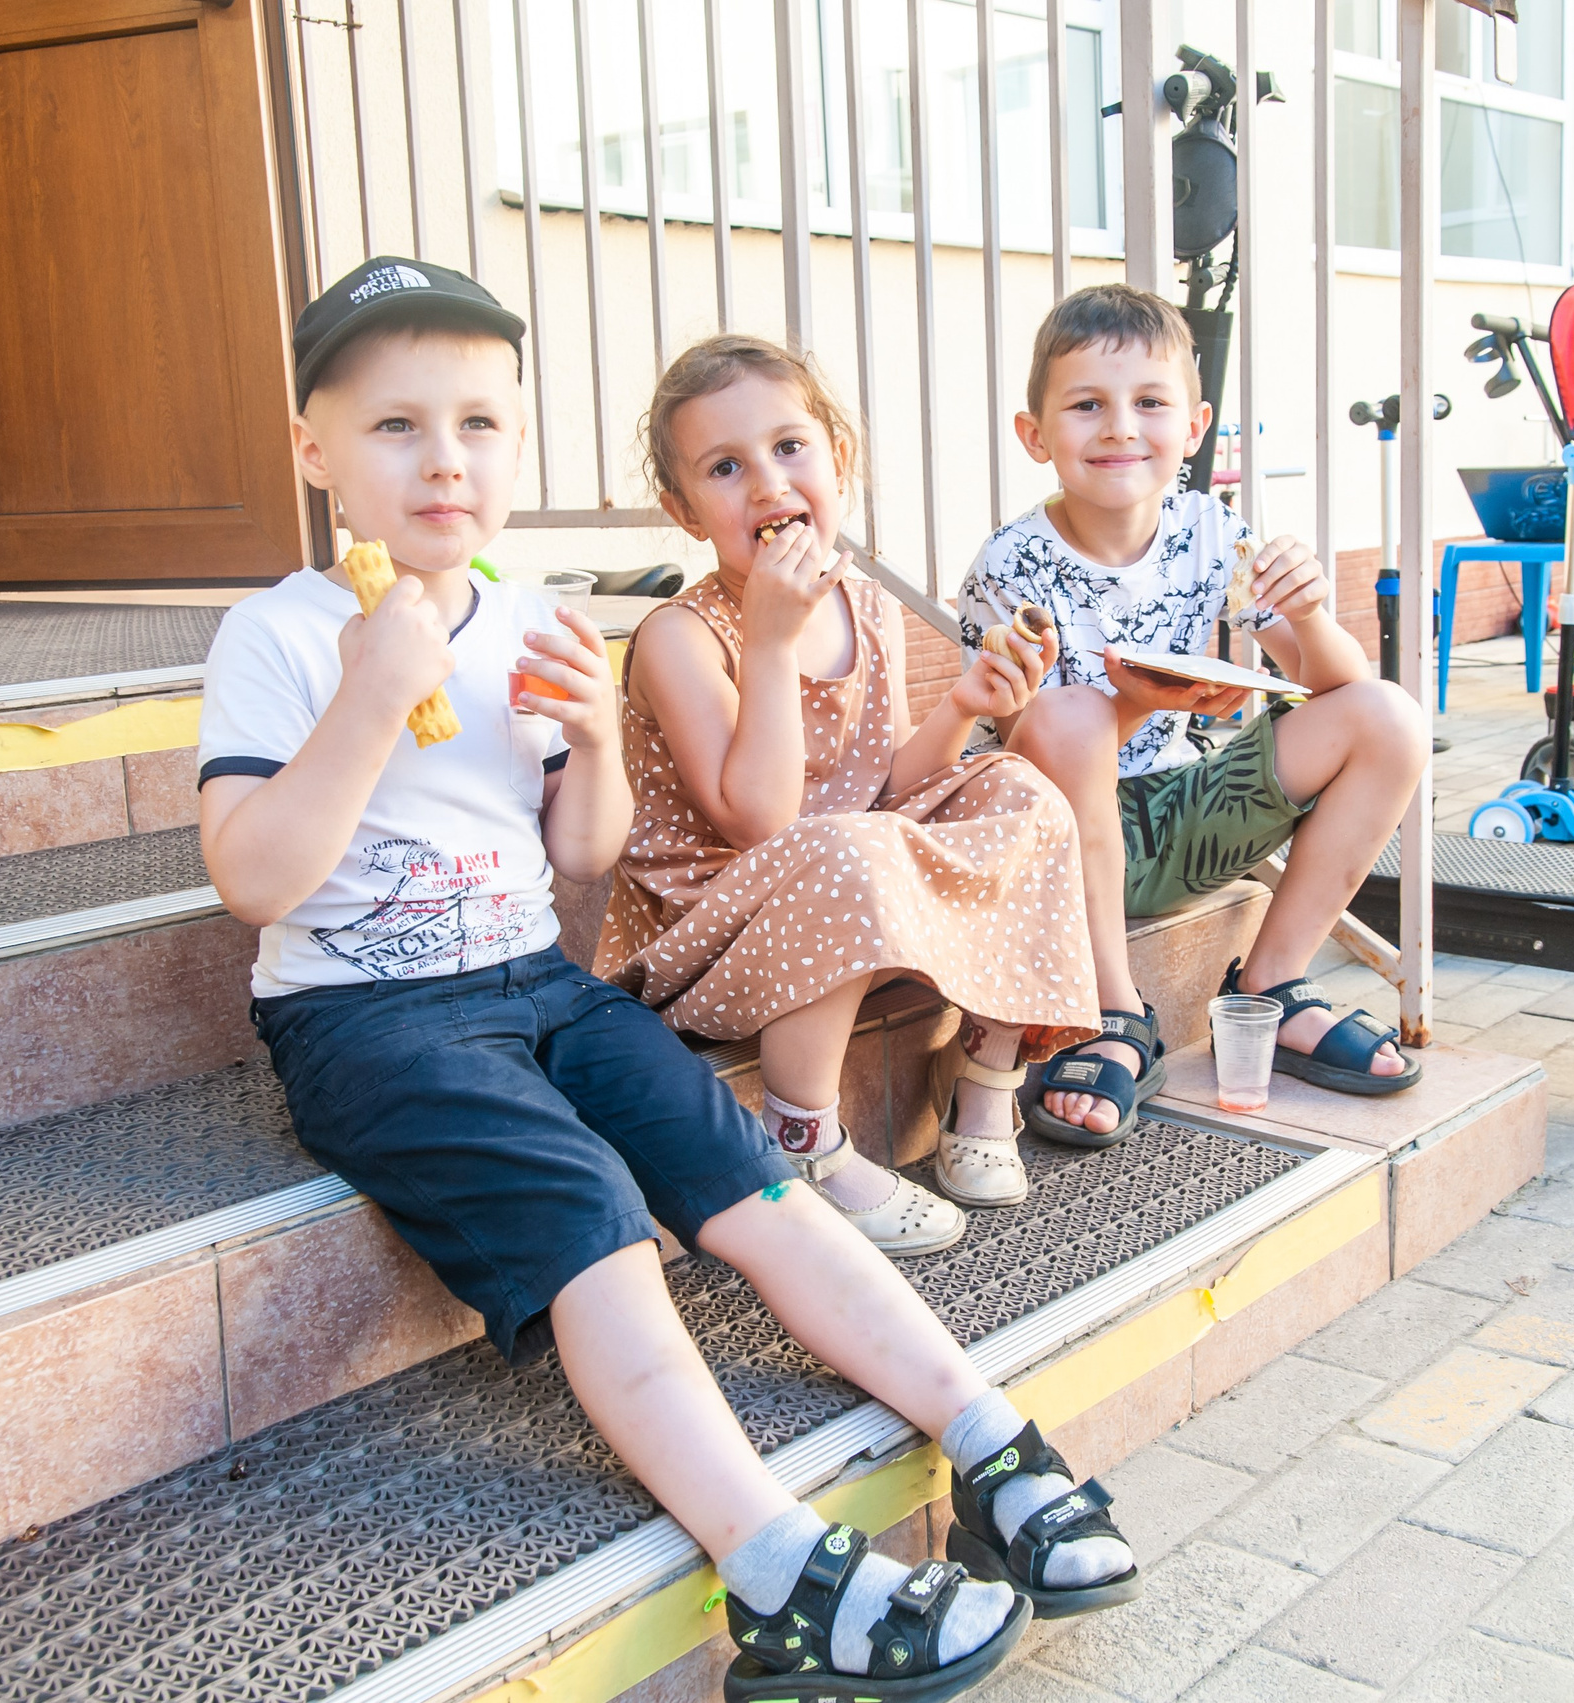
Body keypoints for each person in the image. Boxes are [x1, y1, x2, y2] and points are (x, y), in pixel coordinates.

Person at [196, 259, 1138, 1703]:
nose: (445, 458)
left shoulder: (524, 613)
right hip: (364, 1015)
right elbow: (255, 876)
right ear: (315, 453)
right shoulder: (274, 633)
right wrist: (372, 693)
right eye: (394, 426)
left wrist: (583, 746)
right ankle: (772, 1566)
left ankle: (989, 1433)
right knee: (589, 1206)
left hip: (537, 976)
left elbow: (581, 858)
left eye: (480, 423)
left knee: (739, 1163)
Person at [596, 335, 1101, 1247]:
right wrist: (770, 643)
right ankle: (805, 1146)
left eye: (790, 448)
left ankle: (986, 1077)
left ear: (839, 458)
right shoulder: (682, 637)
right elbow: (760, 820)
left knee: (1020, 788)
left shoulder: (859, 602)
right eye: (724, 466)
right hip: (707, 933)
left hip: (838, 880)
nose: (766, 484)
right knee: (840, 844)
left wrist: (962, 707)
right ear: (682, 507)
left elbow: (885, 783)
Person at [957, 284, 1428, 1144]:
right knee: (1067, 716)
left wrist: (1314, 614)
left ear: (1196, 424)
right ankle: (1111, 1009)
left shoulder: (1213, 531)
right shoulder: (1013, 563)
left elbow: (1335, 684)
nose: (1120, 428)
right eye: (1087, 405)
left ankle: (1271, 988)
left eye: (1149, 402)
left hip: (1181, 813)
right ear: (1035, 434)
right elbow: (1036, 750)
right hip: (1056, 845)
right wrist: (1137, 702)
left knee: (1389, 716)